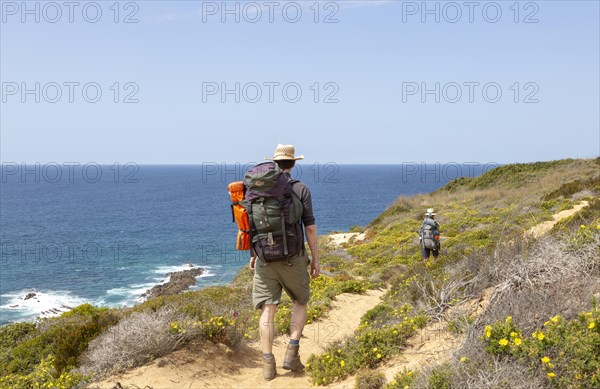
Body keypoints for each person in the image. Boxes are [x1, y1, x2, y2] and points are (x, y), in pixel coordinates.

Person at [248, 144, 320, 381]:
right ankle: (292, 351)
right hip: (293, 258)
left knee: (268, 309)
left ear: (274, 164)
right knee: (300, 301)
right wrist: (315, 261)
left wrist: (254, 254)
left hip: (265, 259)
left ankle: (268, 364)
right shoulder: (300, 189)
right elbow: (309, 228)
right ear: (293, 163)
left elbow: (253, 226)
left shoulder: (256, 191)